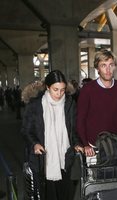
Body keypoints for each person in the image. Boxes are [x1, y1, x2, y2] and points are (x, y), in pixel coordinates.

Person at [21, 70, 83, 200]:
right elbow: (26, 130)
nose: (59, 94)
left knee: (66, 193)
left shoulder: (70, 104)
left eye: (62, 89)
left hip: (65, 158)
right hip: (43, 160)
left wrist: (77, 143)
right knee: (47, 194)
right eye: (55, 89)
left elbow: (73, 130)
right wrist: (34, 144)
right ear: (48, 87)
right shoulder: (35, 105)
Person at [77, 49, 117, 157]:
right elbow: (80, 119)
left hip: (115, 144)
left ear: (115, 66)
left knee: (116, 173)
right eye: (103, 65)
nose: (108, 70)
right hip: (92, 146)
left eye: (111, 65)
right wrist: (84, 144)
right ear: (97, 68)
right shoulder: (88, 89)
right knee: (94, 174)